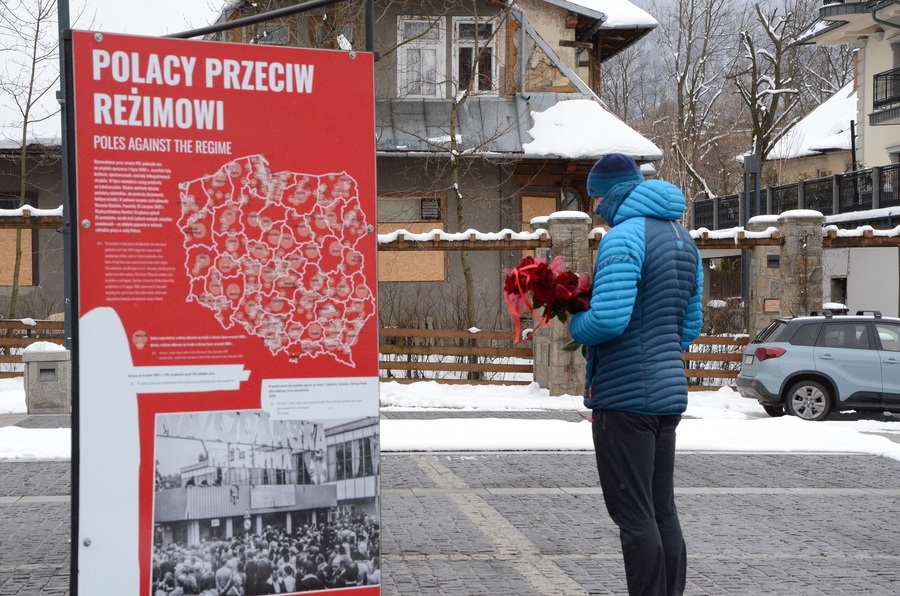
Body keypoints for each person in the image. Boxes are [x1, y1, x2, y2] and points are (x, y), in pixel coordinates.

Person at [570, 153, 703, 596]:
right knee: (661, 509)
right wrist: (659, 350)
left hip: (625, 400)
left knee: (634, 516)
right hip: (667, 396)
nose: (595, 209)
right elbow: (690, 326)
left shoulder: (624, 239)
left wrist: (574, 325)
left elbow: (608, 319)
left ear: (614, 193)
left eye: (597, 198)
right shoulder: (683, 239)